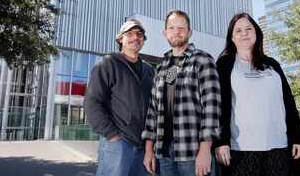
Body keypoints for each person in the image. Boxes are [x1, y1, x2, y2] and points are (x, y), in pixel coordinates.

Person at [214, 12, 300, 176]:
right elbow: (218, 106)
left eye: (249, 29)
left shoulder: (272, 64)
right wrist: (221, 142)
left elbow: (288, 103)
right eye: (238, 30)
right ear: (232, 37)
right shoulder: (224, 64)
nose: (244, 33)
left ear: (256, 33)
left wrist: (299, 139)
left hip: (280, 147)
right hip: (242, 150)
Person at [142, 10, 221, 176]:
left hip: (192, 152)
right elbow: (153, 111)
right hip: (164, 154)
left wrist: (205, 149)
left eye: (181, 28)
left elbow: (211, 107)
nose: (176, 31)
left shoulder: (202, 60)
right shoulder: (163, 67)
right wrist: (149, 149)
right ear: (165, 33)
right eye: (171, 28)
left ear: (190, 32)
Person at [84, 19, 155, 176]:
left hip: (143, 146)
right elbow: (92, 103)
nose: (135, 37)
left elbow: (154, 107)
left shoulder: (149, 70)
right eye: (129, 34)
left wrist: (150, 143)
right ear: (120, 39)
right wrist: (112, 135)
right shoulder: (108, 63)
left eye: (139, 34)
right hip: (118, 143)